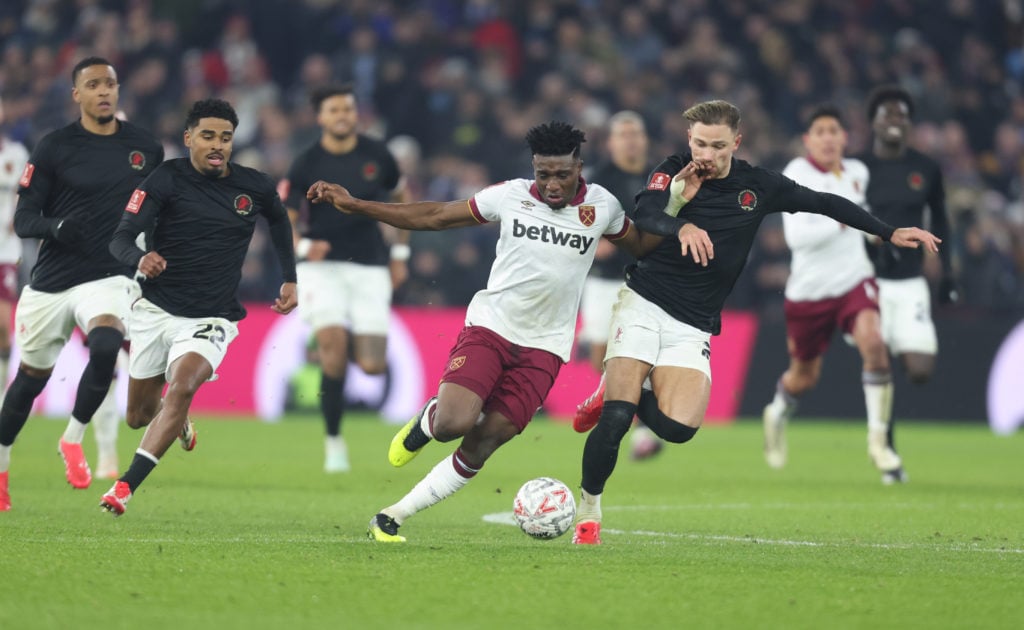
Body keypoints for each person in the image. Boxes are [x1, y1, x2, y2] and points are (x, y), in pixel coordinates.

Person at [571, 100, 941, 545]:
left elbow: (823, 202)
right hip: (644, 301)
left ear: (736, 143)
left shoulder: (758, 186)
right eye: (700, 143)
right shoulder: (672, 170)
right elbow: (645, 216)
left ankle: (624, 394)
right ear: (690, 140)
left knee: (678, 430)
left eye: (717, 146)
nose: (706, 154)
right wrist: (679, 221)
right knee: (614, 420)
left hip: (694, 322)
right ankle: (588, 514)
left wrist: (887, 231)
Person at [306, 121, 658, 542]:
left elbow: (640, 246)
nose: (551, 184)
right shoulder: (508, 195)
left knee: (485, 441)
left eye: (562, 174)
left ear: (579, 167)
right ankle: (429, 420)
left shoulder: (603, 206)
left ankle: (393, 515)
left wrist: (681, 210)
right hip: (491, 328)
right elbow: (435, 216)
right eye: (542, 174)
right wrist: (359, 206)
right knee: (455, 422)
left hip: (545, 349)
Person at [99, 98, 297, 516]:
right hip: (155, 310)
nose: (217, 145)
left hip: (212, 317)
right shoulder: (164, 180)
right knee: (138, 415)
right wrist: (138, 258)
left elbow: (279, 221)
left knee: (185, 384)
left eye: (225, 138)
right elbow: (120, 237)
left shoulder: (254, 186)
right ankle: (179, 420)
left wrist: (290, 277)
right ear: (188, 138)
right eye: (207, 136)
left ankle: (124, 487)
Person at [0, 58, 163, 511]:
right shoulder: (53, 147)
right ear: (77, 95)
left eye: (110, 83)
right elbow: (24, 218)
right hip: (51, 283)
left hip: (108, 275)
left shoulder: (145, 149)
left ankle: (73, 437)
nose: (104, 91)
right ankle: (1, 469)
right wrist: (55, 228)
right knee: (28, 383)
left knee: (108, 343)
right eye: (93, 85)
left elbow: (160, 211)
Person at [761, 105, 901, 483]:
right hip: (809, 292)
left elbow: (866, 215)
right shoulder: (797, 174)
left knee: (874, 342)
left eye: (833, 131)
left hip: (855, 281)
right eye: (819, 131)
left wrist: (877, 231)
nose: (827, 138)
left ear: (844, 138)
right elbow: (798, 238)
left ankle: (878, 443)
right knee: (804, 377)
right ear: (808, 140)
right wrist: (843, 219)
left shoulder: (858, 172)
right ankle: (776, 413)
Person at [280, 84, 410, 473]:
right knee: (333, 351)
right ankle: (334, 442)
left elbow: (403, 198)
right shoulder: (305, 162)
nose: (343, 116)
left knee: (372, 366)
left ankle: (332, 339)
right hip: (322, 269)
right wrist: (303, 248)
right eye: (334, 110)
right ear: (320, 117)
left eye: (348, 109)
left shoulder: (377, 155)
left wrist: (400, 254)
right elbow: (283, 217)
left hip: (370, 264)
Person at [580, 111, 663, 461]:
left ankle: (641, 428)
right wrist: (592, 241)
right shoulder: (597, 180)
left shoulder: (659, 178)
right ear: (611, 141)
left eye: (636, 132)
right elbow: (577, 220)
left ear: (644, 139)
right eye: (623, 134)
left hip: (644, 280)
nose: (630, 139)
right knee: (601, 358)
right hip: (602, 281)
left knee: (645, 353)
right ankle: (624, 413)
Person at [860, 85, 955, 383]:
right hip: (868, 277)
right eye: (886, 115)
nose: (894, 121)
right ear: (873, 122)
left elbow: (940, 219)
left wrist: (947, 270)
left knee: (920, 370)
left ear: (910, 122)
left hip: (911, 277)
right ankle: (882, 427)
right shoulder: (857, 166)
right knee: (878, 360)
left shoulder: (925, 168)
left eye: (901, 116)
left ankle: (899, 346)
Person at [0, 97, 29, 406]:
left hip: (6, 251)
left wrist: (18, 215)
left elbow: (28, 191)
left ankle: (2, 393)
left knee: (1, 326)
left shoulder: (17, 154)